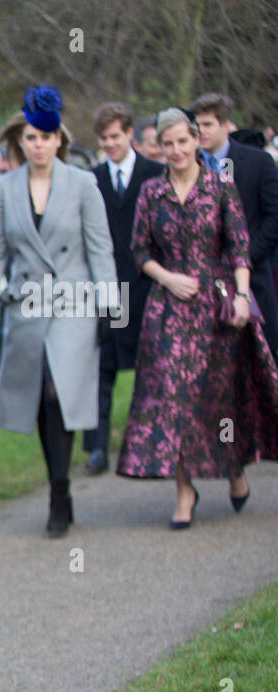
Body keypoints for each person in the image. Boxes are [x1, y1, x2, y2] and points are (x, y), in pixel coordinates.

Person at [116, 108, 278, 524]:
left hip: (215, 307)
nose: (175, 150)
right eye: (167, 144)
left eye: (182, 142)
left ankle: (234, 470)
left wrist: (242, 296)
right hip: (168, 309)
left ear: (195, 142)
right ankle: (184, 492)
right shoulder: (152, 192)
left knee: (216, 399)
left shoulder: (220, 185)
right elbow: (139, 251)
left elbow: (239, 247)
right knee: (173, 400)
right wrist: (168, 278)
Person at [0, 85, 119, 537]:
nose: (38, 144)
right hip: (27, 305)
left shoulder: (83, 183)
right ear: (23, 140)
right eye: (31, 137)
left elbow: (101, 249)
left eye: (46, 136)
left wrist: (111, 307)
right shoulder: (4, 188)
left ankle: (60, 492)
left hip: (74, 303)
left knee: (60, 393)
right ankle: (56, 479)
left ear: (60, 139)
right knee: (38, 396)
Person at [83, 101, 165, 475]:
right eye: (104, 138)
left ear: (130, 133)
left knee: (150, 367)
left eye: (115, 136)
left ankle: (146, 443)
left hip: (146, 284)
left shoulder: (155, 174)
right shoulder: (92, 179)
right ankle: (97, 447)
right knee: (101, 369)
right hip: (106, 287)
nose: (110, 144)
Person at [190, 93, 278, 356]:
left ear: (224, 124)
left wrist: (247, 257)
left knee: (261, 357)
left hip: (252, 275)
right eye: (197, 126)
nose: (201, 132)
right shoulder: (188, 165)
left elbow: (274, 215)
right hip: (202, 277)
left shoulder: (257, 162)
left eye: (207, 124)